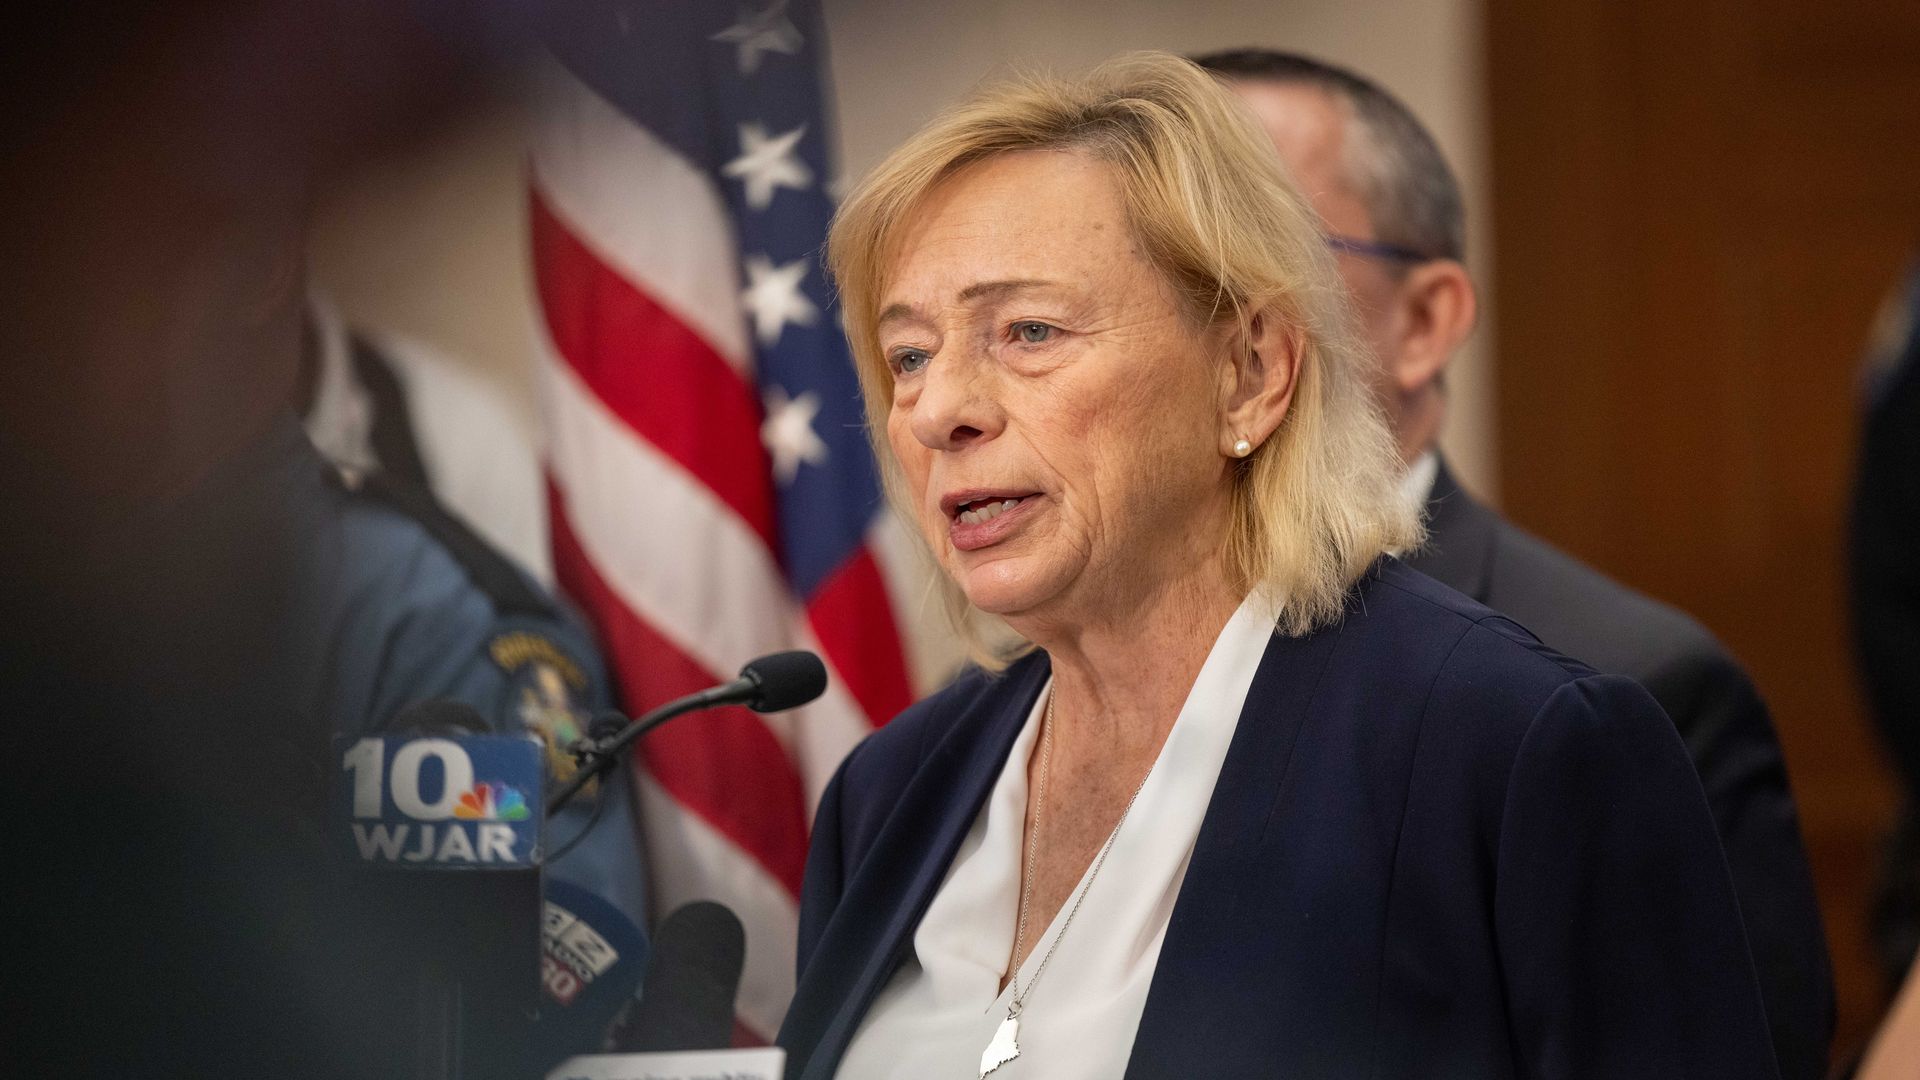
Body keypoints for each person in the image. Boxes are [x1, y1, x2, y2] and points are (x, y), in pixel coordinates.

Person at [777, 52, 1776, 1080]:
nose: (940, 410)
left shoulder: (1512, 750)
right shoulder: (885, 795)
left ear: (1251, 372)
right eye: (908, 355)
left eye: (1029, 331)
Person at [1192, 48, 1833, 1079]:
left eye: (1248, 252)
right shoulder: (1013, 709)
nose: (1191, 315)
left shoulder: (1631, 686)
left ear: (1425, 320)